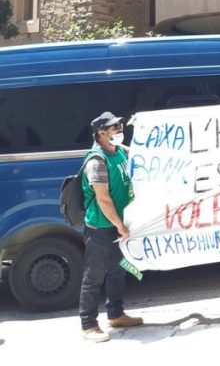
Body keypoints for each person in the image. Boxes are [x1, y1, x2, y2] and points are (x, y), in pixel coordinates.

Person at [79, 112, 143, 342]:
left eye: (119, 125)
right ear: (101, 133)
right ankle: (88, 325)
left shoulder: (120, 152)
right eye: (114, 127)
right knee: (94, 275)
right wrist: (119, 226)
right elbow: (103, 199)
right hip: (101, 226)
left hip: (120, 224)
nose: (119, 129)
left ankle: (116, 314)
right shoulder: (97, 161)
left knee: (118, 270)